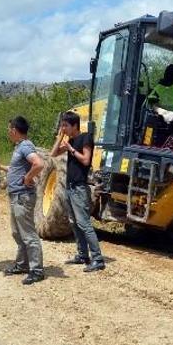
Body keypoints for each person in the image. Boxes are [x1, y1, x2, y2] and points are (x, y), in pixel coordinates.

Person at [0, 116, 46, 285]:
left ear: (14, 130)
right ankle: (22, 264)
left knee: (28, 234)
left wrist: (28, 178)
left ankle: (36, 270)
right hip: (16, 196)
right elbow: (15, 169)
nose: (8, 133)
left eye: (9, 130)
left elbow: (39, 164)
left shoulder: (26, 146)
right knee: (17, 233)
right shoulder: (20, 147)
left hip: (23, 196)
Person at [50, 111, 105, 272]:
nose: (64, 128)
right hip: (70, 187)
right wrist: (60, 138)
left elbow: (86, 159)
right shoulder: (71, 140)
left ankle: (98, 259)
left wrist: (71, 149)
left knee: (84, 223)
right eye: (62, 125)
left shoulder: (85, 137)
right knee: (74, 222)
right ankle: (82, 255)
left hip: (80, 187)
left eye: (66, 125)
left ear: (75, 125)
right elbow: (52, 154)